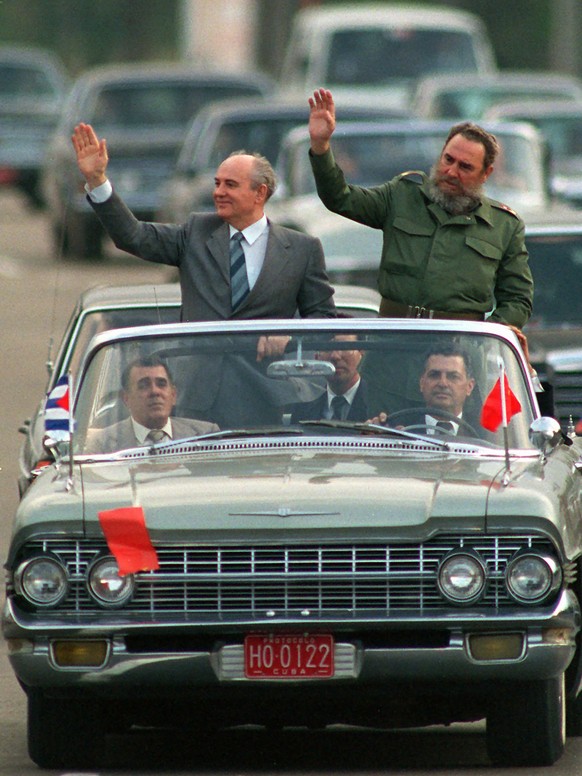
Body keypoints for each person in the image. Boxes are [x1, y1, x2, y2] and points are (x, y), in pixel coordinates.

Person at [71, 123, 336, 355]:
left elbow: (324, 323)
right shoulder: (195, 233)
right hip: (199, 394)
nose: (218, 192)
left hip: (269, 395)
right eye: (217, 183)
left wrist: (290, 338)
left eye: (230, 185)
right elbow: (133, 236)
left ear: (260, 193)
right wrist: (97, 181)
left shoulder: (302, 249)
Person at [307, 88, 533, 328]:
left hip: (460, 348)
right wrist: (321, 146)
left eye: (465, 167)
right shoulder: (403, 195)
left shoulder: (504, 225)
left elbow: (518, 300)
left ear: (486, 174)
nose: (451, 172)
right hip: (396, 337)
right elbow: (339, 198)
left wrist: (486, 337)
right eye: (448, 159)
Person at [85, 355, 219, 454]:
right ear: (126, 398)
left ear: (173, 395)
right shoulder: (101, 445)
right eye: (144, 385)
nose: (155, 391)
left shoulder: (205, 435)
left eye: (161, 384)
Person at [374, 344, 479, 436]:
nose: (443, 383)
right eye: (434, 375)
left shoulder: (485, 436)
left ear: (469, 386)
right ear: (422, 383)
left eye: (453, 376)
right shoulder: (397, 430)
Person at [290, 334, 369, 422]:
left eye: (344, 347)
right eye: (327, 348)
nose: (335, 356)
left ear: (361, 352)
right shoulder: (303, 410)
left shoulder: (379, 408)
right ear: (317, 357)